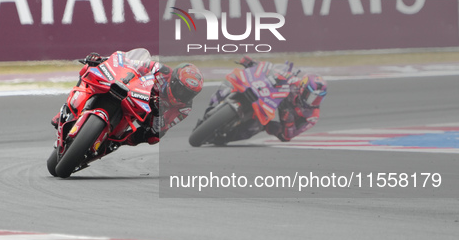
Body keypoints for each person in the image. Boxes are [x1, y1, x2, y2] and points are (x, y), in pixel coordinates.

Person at [52, 51, 204, 147]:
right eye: (181, 90)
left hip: (145, 115)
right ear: (174, 80)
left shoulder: (184, 108)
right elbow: (131, 63)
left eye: (188, 94)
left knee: (151, 138)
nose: (182, 96)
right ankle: (65, 110)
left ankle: (113, 143)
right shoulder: (161, 70)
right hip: (132, 92)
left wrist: (157, 114)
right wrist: (102, 60)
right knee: (88, 69)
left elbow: (161, 128)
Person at [205, 56, 327, 143]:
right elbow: (275, 71)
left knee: (258, 125)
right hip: (270, 99)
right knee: (235, 83)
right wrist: (254, 64)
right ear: (302, 88)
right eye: (311, 96)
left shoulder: (312, 116)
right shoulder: (294, 82)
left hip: (283, 121)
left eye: (317, 99)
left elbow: (288, 136)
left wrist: (288, 120)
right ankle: (217, 103)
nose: (313, 102)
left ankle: (226, 138)